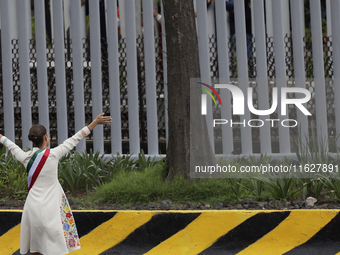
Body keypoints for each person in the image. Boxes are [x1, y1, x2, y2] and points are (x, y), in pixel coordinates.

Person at [0, 113, 112, 255]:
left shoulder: (25, 157)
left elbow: (9, 144)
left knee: (36, 245)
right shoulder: (54, 154)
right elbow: (75, 138)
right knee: (56, 245)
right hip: (52, 206)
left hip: (32, 207)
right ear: (46, 137)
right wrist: (95, 122)